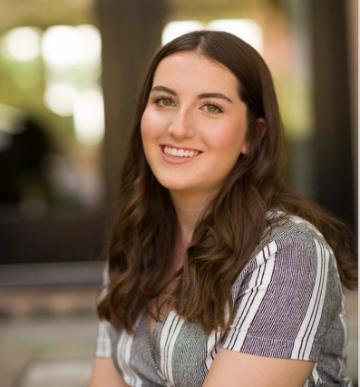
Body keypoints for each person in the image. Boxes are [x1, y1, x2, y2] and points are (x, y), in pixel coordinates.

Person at [89, 30, 357, 387]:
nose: (179, 127)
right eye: (164, 101)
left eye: (211, 107)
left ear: (253, 135)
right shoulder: (136, 237)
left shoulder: (288, 251)